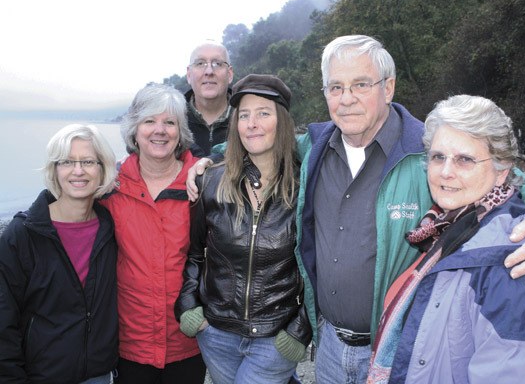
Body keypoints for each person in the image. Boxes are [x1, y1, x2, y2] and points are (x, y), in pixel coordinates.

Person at [187, 35, 525, 383]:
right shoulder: (315, 146)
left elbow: (506, 173)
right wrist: (210, 159)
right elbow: (260, 141)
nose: (346, 99)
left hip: (394, 347)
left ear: (389, 87)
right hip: (327, 345)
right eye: (335, 87)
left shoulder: (426, 150)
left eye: (361, 84)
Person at [367, 95, 525, 383]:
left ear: (502, 170)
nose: (445, 172)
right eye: (438, 156)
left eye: (465, 159)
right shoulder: (450, 228)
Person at [175, 74, 312, 384]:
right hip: (216, 334)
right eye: (244, 115)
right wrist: (188, 305)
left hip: (275, 335)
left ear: (283, 122)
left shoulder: (306, 186)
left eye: (264, 113)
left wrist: (300, 329)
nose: (252, 123)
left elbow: (318, 266)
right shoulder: (210, 181)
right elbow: (196, 253)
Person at [101, 84, 205, 383]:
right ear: (135, 130)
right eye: (149, 121)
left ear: (180, 132)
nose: (160, 130)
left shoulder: (203, 181)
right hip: (129, 342)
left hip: (189, 340)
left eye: (169, 122)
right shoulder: (111, 186)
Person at [0, 124, 118, 383]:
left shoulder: (111, 229)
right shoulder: (23, 235)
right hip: (42, 376)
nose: (78, 171)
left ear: (102, 168)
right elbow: (3, 321)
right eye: (66, 162)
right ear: (55, 170)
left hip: (101, 375)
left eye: (88, 161)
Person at [185, 40, 234, 157]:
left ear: (230, 74)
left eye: (217, 63)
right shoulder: (172, 122)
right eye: (200, 64)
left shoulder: (248, 121)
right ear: (189, 75)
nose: (209, 71)